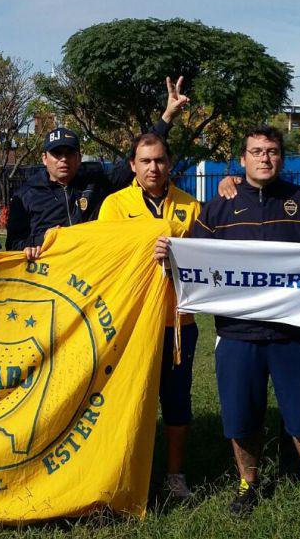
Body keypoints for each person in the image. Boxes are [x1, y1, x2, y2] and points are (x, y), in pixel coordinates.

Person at [157, 126, 300, 515]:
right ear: (243, 159)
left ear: (281, 158)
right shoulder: (218, 207)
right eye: (256, 151)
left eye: (271, 151)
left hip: (295, 334)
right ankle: (247, 484)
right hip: (238, 334)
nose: (264, 158)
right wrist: (170, 259)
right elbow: (193, 262)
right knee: (241, 418)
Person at [98, 133, 201, 498]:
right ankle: (123, 473)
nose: (153, 168)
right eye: (145, 161)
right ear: (132, 165)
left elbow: (205, 260)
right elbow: (108, 259)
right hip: (132, 322)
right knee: (127, 400)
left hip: (177, 324)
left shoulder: (191, 206)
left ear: (169, 163)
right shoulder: (114, 205)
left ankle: (174, 476)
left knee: (176, 402)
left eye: (159, 160)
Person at [5, 77, 189, 259]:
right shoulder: (26, 195)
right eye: (56, 153)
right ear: (44, 159)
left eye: (69, 153)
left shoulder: (96, 181)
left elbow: (138, 156)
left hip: (92, 271)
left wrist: (166, 118)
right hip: (53, 272)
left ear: (79, 157)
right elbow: (13, 244)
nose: (63, 159)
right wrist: (39, 240)